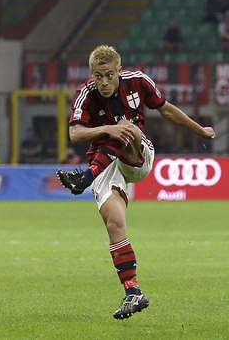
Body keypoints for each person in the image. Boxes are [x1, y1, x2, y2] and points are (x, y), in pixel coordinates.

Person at [56, 45, 215, 320]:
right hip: (104, 163)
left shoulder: (138, 81)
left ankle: (85, 178)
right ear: (91, 74)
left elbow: (166, 110)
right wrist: (107, 128)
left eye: (108, 75)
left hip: (138, 155)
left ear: (119, 70)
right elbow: (75, 133)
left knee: (127, 127)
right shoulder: (86, 94)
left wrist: (200, 130)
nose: (103, 82)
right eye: (97, 76)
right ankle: (133, 292)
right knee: (115, 224)